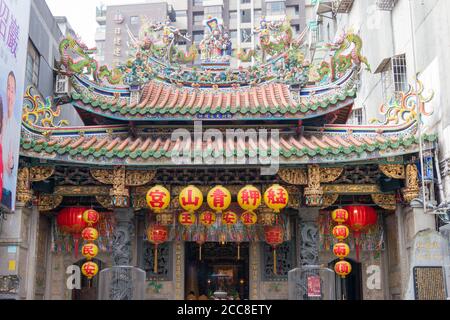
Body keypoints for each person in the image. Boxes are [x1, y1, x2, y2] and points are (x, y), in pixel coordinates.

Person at [2, 71, 18, 208]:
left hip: (4, 190)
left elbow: (10, 166)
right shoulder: (3, 119)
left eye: (12, 90)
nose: (9, 94)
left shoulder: (15, 126)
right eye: (8, 88)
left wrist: (11, 164)